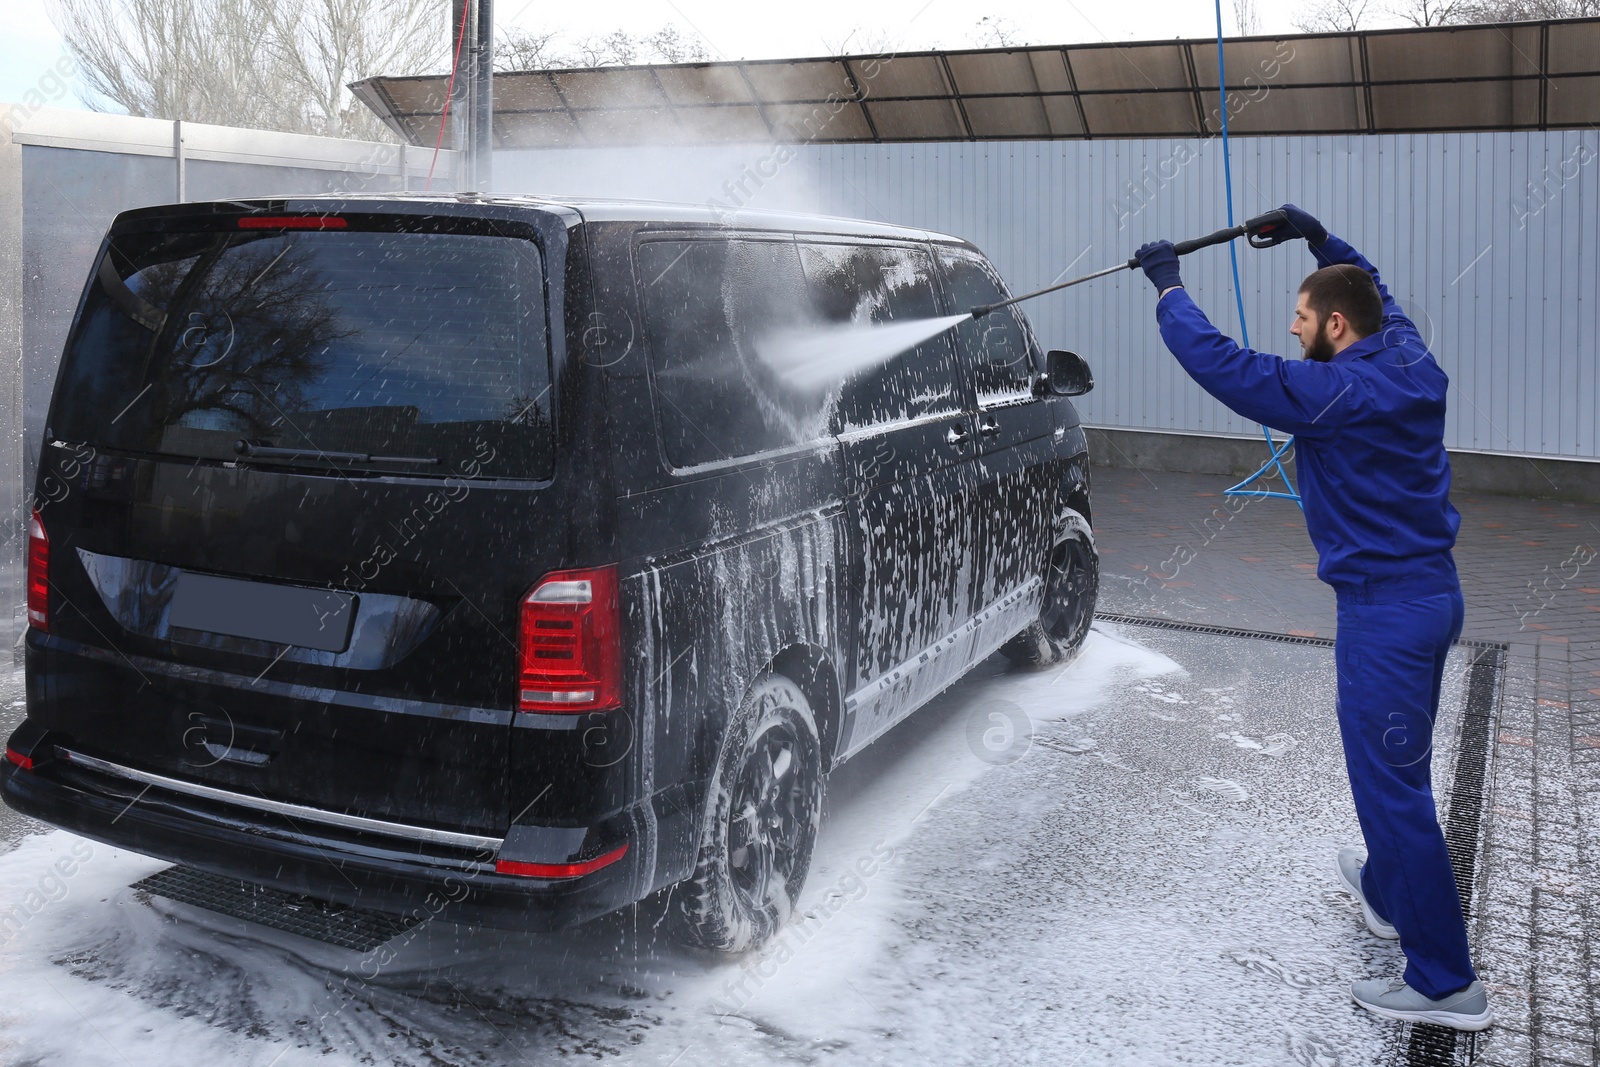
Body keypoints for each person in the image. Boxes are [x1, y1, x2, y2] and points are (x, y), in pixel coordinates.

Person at [1133, 205, 1491, 1032]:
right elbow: (1379, 290)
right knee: (1392, 771)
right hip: (1430, 598)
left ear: (1335, 326)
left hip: (1387, 614)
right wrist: (1316, 236)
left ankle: (1446, 983)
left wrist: (1167, 289)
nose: (1291, 330)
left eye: (1301, 318)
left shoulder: (1337, 395)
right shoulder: (1406, 353)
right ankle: (1386, 888)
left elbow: (1225, 367)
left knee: (1394, 789)